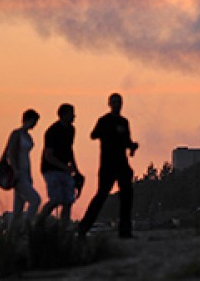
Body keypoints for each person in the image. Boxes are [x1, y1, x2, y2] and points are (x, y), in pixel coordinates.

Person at [78, 93, 138, 239]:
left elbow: (126, 141)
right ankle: (83, 228)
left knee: (127, 197)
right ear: (110, 104)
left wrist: (132, 146)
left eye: (119, 102)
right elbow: (93, 135)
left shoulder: (124, 122)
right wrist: (112, 132)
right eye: (115, 102)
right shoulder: (104, 120)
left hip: (122, 164)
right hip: (108, 165)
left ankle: (125, 231)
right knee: (101, 195)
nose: (117, 105)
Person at [39, 103, 82, 223]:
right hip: (50, 169)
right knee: (56, 200)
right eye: (71, 114)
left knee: (68, 201)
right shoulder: (52, 131)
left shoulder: (71, 130)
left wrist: (76, 170)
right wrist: (65, 167)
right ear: (63, 115)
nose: (74, 116)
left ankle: (63, 229)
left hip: (64, 169)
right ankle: (38, 224)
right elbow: (48, 156)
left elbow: (69, 150)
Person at [7, 109, 42, 231]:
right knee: (35, 200)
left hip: (26, 173)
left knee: (18, 210)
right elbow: (11, 153)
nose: (35, 125)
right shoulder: (16, 134)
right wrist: (16, 171)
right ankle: (25, 228)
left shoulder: (28, 136)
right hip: (18, 174)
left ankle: (11, 237)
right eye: (34, 121)